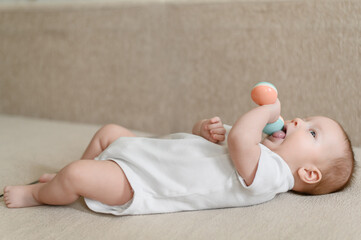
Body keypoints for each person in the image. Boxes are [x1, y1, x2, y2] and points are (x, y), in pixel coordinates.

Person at [3, 99, 355, 215]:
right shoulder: (260, 149)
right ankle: (80, 177)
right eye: (306, 117)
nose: (297, 120)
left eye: (311, 132)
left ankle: (38, 194)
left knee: (76, 174)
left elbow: (239, 141)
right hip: (152, 152)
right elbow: (219, 142)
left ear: (308, 174)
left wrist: (266, 110)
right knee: (108, 131)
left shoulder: (272, 177)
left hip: (142, 182)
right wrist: (204, 130)